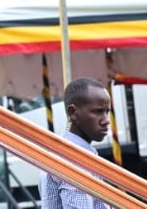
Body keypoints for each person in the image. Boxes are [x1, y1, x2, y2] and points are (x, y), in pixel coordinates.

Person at [38, 77, 112, 209]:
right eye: (98, 111)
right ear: (72, 112)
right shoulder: (73, 162)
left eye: (107, 112)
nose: (106, 120)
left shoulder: (61, 154)